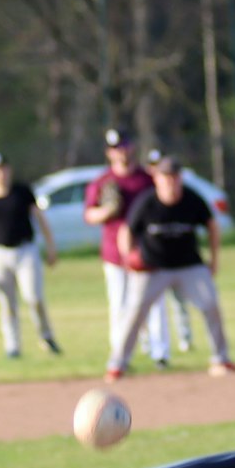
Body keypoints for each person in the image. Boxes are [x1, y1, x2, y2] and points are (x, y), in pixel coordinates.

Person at [105, 155, 235, 381]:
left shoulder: (192, 199)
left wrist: (214, 260)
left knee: (210, 304)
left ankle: (221, 358)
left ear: (180, 178)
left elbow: (212, 226)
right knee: (134, 312)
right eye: (166, 177)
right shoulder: (147, 202)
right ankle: (118, 364)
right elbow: (126, 230)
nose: (170, 182)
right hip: (153, 267)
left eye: (174, 177)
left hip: (189, 265)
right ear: (157, 179)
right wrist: (128, 258)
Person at [84, 129, 174, 367]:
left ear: (131, 147)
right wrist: (106, 211)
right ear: (108, 152)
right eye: (115, 148)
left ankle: (160, 354)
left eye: (123, 146)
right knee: (120, 306)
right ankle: (121, 357)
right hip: (114, 255)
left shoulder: (146, 180)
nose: (120, 152)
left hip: (147, 252)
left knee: (154, 304)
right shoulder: (102, 182)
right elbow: (89, 214)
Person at [0, 152, 60, 358]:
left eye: (3, 168)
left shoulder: (22, 192)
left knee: (34, 297)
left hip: (26, 251)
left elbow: (40, 218)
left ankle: (46, 337)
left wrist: (51, 247)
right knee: (7, 303)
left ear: (9, 170)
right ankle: (12, 346)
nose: (0, 174)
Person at [145, 148, 198, 351]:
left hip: (180, 258)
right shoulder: (147, 196)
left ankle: (185, 339)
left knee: (179, 301)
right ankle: (149, 343)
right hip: (154, 259)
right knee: (148, 306)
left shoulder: (182, 194)